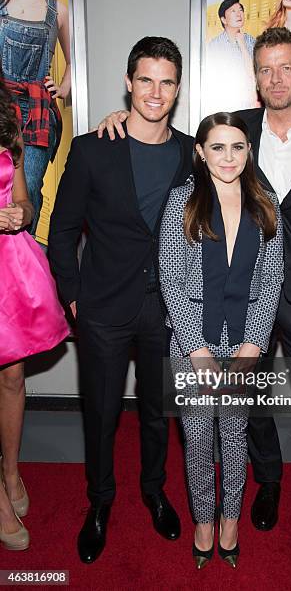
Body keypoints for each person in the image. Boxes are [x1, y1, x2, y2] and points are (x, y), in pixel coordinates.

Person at [95, 27, 291, 577]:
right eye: (266, 69)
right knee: (254, 412)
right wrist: (115, 121)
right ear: (256, 76)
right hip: (228, 305)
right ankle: (266, 486)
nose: (276, 78)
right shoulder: (236, 130)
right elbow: (175, 148)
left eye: (286, 68)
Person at [48, 37, 194, 565]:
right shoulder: (92, 149)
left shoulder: (189, 152)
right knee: (102, 415)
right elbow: (62, 233)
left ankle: (154, 492)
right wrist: (74, 298)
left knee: (158, 414)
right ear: (129, 83)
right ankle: (100, 502)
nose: (156, 92)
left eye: (167, 82)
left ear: (177, 89)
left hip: (168, 312)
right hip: (103, 309)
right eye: (146, 80)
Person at [159, 112, 283, 569]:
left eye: (237, 147)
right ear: (200, 152)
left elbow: (271, 279)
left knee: (234, 434)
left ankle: (230, 519)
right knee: (195, 438)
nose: (228, 157)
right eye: (217, 147)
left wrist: (253, 345)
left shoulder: (266, 202)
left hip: (243, 347)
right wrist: (196, 349)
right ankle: (203, 521)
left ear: (248, 152)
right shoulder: (182, 203)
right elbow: (171, 279)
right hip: (193, 345)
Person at [0, 70, 69, 551]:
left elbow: (24, 199)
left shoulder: (9, 125)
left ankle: (10, 470)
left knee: (12, 377)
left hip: (8, 265)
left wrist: (20, 215)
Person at [0, 0, 71, 236]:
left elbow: (79, 61)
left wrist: (62, 89)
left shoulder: (58, 11)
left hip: (37, 111)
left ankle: (23, 253)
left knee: (28, 187)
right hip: (0, 104)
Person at [207, 0, 257, 112]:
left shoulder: (251, 41)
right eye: (233, 11)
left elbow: (253, 73)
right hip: (224, 101)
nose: (239, 14)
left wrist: (243, 46)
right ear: (224, 19)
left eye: (240, 10)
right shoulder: (215, 45)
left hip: (249, 101)